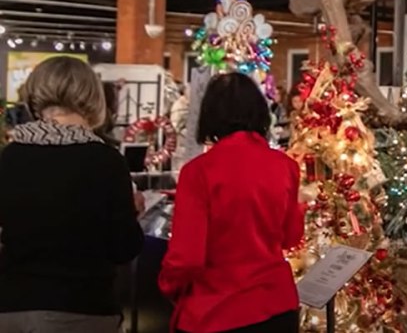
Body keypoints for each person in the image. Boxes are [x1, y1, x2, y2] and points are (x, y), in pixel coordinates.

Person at [0, 56, 144, 333]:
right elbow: (123, 248)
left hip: (11, 306)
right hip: (79, 307)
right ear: (93, 95)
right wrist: (132, 212)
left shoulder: (11, 157)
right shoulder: (105, 160)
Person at [159, 72, 303, 333]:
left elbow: (186, 258)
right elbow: (291, 237)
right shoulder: (286, 166)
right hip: (276, 307)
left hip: (215, 311)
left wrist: (167, 286)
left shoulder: (198, 172)